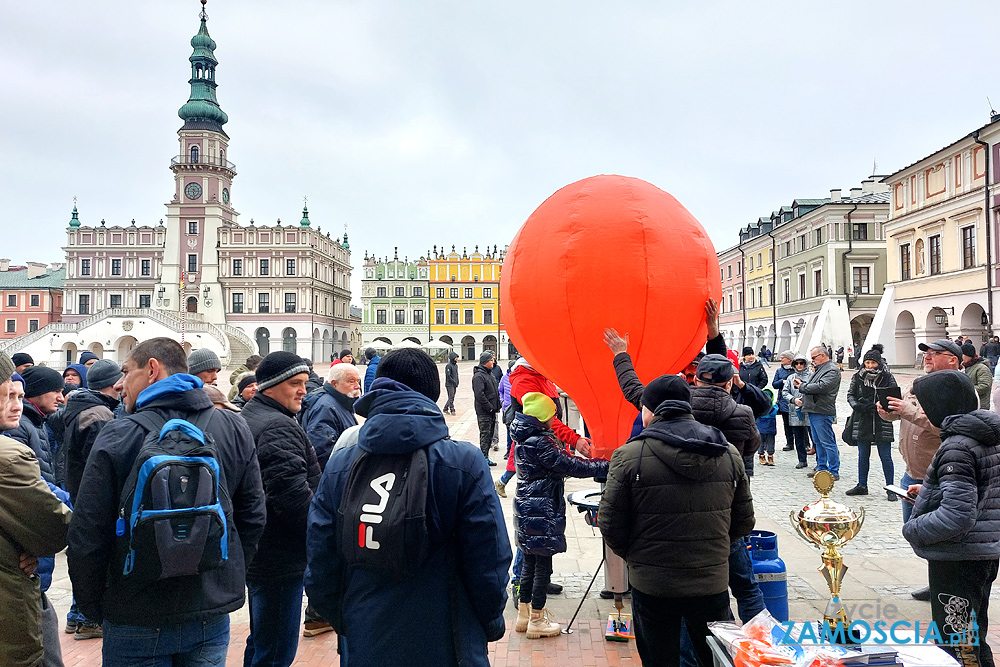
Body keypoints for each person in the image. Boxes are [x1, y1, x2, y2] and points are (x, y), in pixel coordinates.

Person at [67, 337, 266, 666]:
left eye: (126, 371)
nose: (119, 383)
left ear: (152, 370)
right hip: (208, 610)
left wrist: (95, 606)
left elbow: (87, 531)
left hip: (134, 611)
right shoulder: (233, 426)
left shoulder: (119, 434)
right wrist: (225, 578)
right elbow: (253, 517)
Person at [305, 348, 511, 666]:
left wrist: (348, 622)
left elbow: (320, 559)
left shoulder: (342, 462)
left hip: (365, 638)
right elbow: (489, 560)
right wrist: (489, 623)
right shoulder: (463, 462)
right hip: (448, 640)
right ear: (432, 393)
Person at [599, 375, 755, 667]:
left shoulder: (629, 455)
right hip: (710, 580)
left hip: (654, 583)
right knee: (716, 659)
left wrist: (638, 557)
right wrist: (715, 549)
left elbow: (610, 524)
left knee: (659, 659)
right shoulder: (728, 453)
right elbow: (744, 521)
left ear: (650, 409)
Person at [904, 370, 999, 667]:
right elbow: (984, 490)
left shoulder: (958, 445)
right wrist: (931, 493)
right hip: (984, 550)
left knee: (955, 641)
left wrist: (914, 529)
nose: (920, 411)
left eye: (923, 404)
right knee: (973, 632)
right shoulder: (985, 432)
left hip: (958, 556)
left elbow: (957, 515)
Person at [240, 351, 321, 667]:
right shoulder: (276, 426)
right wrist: (323, 532)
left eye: (304, 383)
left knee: (261, 637)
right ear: (272, 386)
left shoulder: (253, 415)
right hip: (279, 555)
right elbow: (291, 498)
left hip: (260, 550)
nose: (303, 390)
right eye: (295, 384)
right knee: (275, 648)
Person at [512, 392, 608, 638]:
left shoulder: (523, 437)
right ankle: (537, 619)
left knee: (529, 564)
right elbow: (571, 465)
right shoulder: (541, 442)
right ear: (544, 417)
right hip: (541, 510)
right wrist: (607, 464)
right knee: (543, 565)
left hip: (527, 508)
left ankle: (524, 615)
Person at [0, 352, 73, 667]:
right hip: (11, 604)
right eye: (7, 397)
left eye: (18, 395)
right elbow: (55, 527)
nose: (17, 404)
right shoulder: (10, 457)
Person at [878, 338, 961, 601]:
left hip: (938, 478)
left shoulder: (957, 389)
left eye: (936, 354)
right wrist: (886, 411)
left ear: (953, 360)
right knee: (917, 534)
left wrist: (908, 411)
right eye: (926, 353)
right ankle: (936, 580)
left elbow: (947, 427)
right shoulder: (917, 385)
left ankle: (946, 585)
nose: (928, 357)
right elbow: (899, 413)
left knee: (940, 537)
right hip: (911, 474)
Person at [60, 359, 123, 639]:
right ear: (113, 383)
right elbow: (98, 464)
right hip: (90, 496)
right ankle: (86, 618)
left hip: (78, 490)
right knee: (92, 556)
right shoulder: (99, 416)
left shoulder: (83, 407)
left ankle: (77, 616)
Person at [844, 348, 898, 500]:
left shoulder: (887, 377)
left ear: (878, 363)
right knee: (863, 455)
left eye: (872, 362)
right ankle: (862, 485)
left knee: (885, 456)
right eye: (867, 362)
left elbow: (894, 395)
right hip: (862, 419)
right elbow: (850, 395)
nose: (869, 366)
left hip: (882, 419)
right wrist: (858, 406)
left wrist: (878, 406)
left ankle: (890, 488)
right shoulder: (858, 377)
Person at [301, 362, 361, 471]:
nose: (357, 386)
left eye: (358, 381)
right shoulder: (326, 408)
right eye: (351, 381)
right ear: (334, 384)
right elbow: (323, 452)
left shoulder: (341, 401)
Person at [795, 346, 841, 479]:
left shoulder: (832, 370)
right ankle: (821, 467)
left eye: (814, 357)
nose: (812, 360)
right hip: (814, 409)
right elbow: (816, 385)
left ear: (822, 356)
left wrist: (802, 387)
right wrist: (803, 384)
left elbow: (822, 387)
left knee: (827, 441)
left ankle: (833, 470)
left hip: (822, 410)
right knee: (818, 441)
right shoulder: (821, 369)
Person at [781, 353, 812, 470]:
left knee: (814, 436)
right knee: (798, 437)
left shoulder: (812, 376)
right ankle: (802, 459)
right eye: (797, 363)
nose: (799, 365)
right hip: (795, 410)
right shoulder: (791, 378)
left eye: (802, 363)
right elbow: (785, 392)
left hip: (809, 409)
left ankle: (820, 460)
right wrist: (793, 400)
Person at [473, 350, 501, 466]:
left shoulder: (489, 374)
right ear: (485, 361)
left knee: (490, 435)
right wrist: (489, 407)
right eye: (491, 360)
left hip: (492, 411)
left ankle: (486, 456)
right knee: (485, 435)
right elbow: (480, 395)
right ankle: (483, 458)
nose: (493, 362)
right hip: (484, 412)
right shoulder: (479, 376)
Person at [772, 351, 796, 452]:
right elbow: (774, 384)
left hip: (795, 400)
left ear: (789, 359)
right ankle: (789, 443)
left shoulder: (796, 370)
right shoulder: (779, 371)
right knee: (786, 423)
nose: (781, 359)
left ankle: (805, 444)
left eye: (783, 358)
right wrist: (782, 382)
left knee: (800, 424)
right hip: (783, 400)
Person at [961, 342, 992, 409]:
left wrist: (965, 390)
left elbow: (984, 386)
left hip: (980, 406)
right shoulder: (963, 367)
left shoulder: (981, 368)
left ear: (968, 355)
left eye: (962, 354)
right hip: (968, 406)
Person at [756, 389, 778, 467]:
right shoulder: (758, 406)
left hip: (770, 427)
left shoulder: (773, 406)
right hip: (760, 427)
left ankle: (770, 455)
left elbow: (774, 412)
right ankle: (761, 455)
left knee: (770, 442)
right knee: (761, 442)